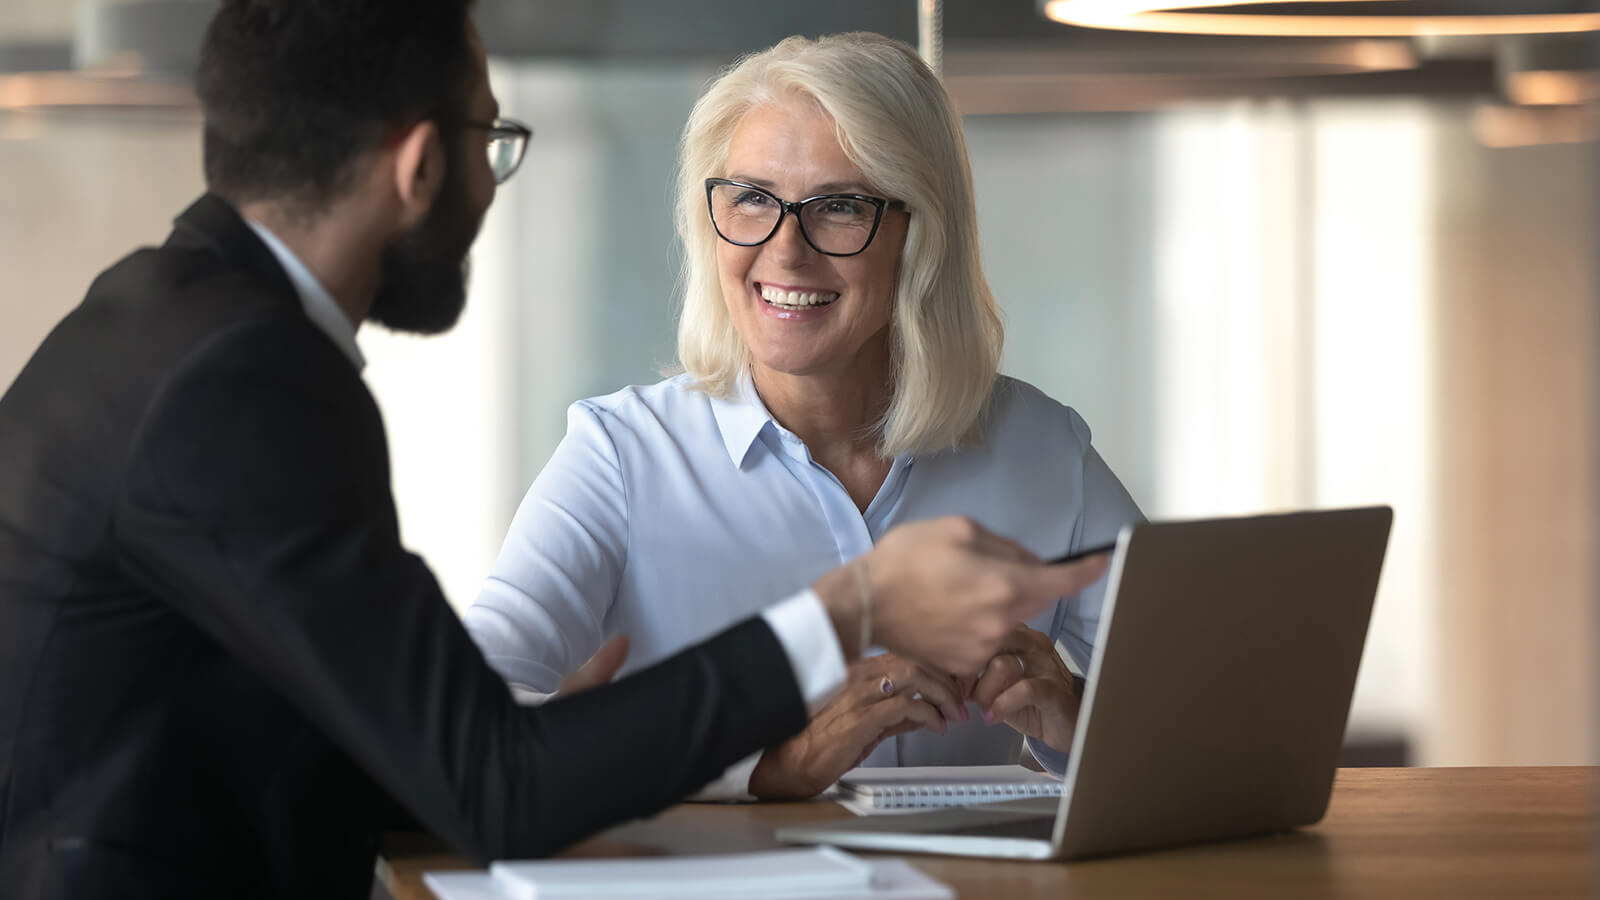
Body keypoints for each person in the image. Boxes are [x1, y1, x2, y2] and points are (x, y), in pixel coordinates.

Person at [0, 4, 1112, 897]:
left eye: (836, 207)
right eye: (491, 142)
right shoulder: (242, 380)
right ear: (421, 166)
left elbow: (440, 755)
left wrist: (552, 737)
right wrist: (850, 612)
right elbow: (485, 777)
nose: (493, 182)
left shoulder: (161, 323)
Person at [464, 32, 1145, 801]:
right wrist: (763, 767)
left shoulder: (1042, 449)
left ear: (921, 235)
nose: (784, 252)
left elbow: (1207, 708)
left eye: (840, 207)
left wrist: (1079, 722)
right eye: (752, 198)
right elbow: (471, 734)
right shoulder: (623, 457)